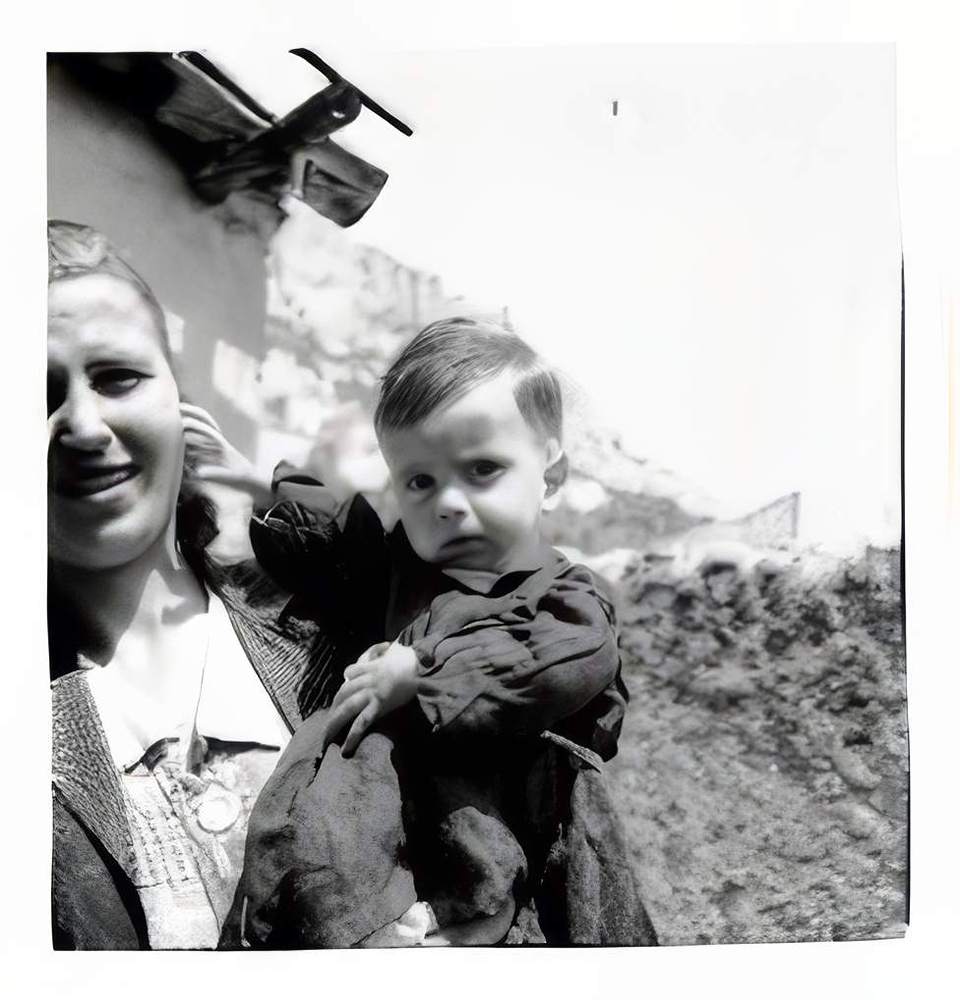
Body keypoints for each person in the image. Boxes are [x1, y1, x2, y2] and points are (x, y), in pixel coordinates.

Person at [222, 318, 658, 947]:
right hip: (390, 823)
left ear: (551, 477)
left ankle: (464, 922)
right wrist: (268, 491)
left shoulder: (563, 598)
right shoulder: (402, 570)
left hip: (513, 815)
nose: (448, 503)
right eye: (420, 481)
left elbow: (562, 663)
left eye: (482, 469)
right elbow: (336, 548)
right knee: (314, 849)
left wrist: (422, 675)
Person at [47, 220, 342, 949]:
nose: (84, 426)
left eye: (117, 377)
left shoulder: (343, 637)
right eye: (30, 396)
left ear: (181, 403)